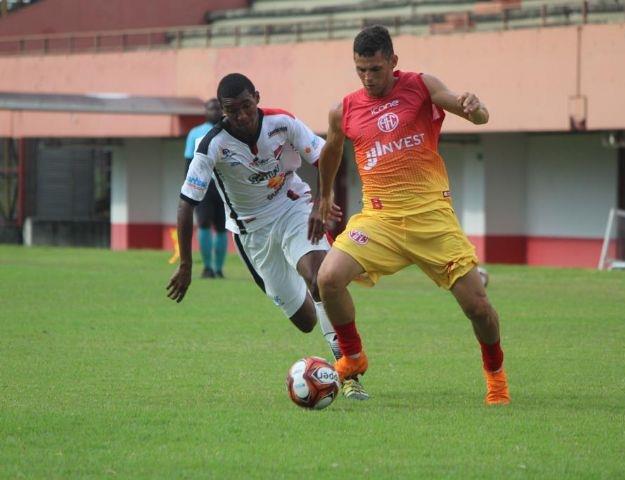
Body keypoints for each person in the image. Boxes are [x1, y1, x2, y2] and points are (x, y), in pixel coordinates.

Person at [308, 25, 510, 405]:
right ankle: (352, 356)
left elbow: (471, 113)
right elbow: (332, 150)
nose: (368, 78)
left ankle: (496, 377)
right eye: (361, 70)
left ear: (393, 62)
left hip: (431, 218)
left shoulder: (420, 85)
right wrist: (325, 194)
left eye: (376, 69)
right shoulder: (345, 109)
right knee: (328, 279)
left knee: (478, 308)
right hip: (379, 220)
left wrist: (475, 107)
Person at [167, 73, 369, 400]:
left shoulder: (282, 123)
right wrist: (187, 264)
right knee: (304, 320)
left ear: (257, 97)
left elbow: (326, 153)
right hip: (252, 233)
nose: (243, 116)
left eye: (247, 106)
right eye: (233, 111)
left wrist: (324, 199)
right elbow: (186, 203)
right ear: (223, 111)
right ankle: (317, 311)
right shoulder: (211, 145)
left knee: (320, 279)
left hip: (293, 208)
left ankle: (348, 371)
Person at [184, 99, 227, 278]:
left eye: (218, 108)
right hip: (204, 186)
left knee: (222, 227)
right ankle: (207, 267)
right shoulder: (195, 133)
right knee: (203, 224)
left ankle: (219, 268)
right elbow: (188, 162)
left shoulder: (229, 131)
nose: (214, 112)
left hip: (224, 186)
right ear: (205, 111)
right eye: (211, 108)